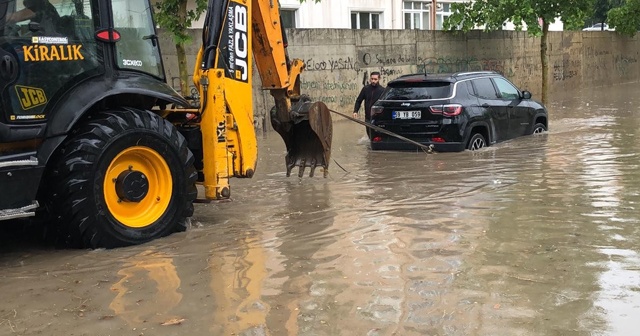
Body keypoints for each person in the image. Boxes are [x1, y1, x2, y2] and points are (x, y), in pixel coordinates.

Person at [353, 71, 385, 138]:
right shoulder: (366, 89)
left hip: (378, 118)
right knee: (369, 135)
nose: (373, 81)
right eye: (372, 79)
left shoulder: (382, 91)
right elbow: (359, 100)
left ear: (379, 79)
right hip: (368, 117)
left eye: (375, 79)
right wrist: (355, 111)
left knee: (377, 136)